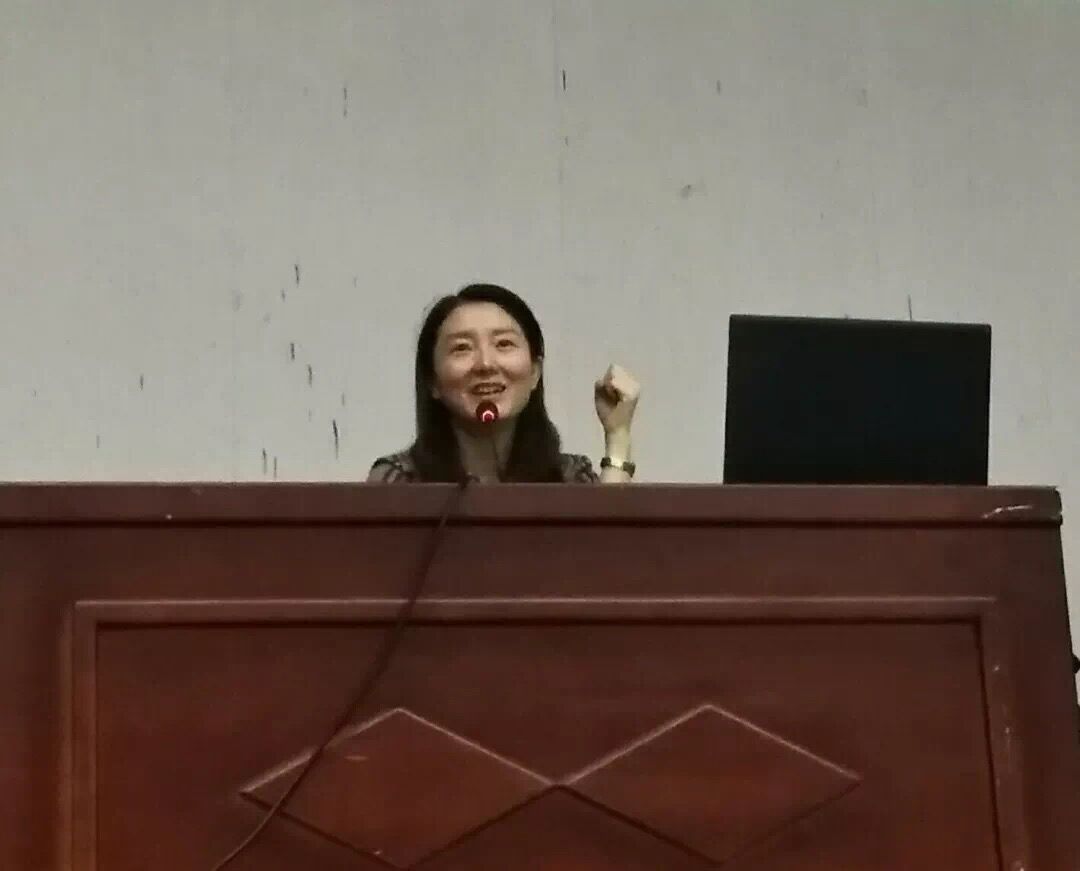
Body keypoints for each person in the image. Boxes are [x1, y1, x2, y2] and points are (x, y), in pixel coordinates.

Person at [368, 283, 640, 483]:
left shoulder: (568, 477)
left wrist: (618, 436)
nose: (486, 364)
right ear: (432, 381)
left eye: (504, 344)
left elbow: (604, 542)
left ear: (535, 372)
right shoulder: (398, 479)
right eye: (462, 348)